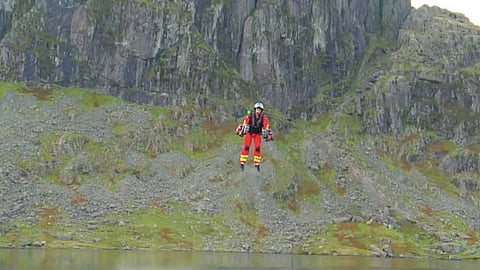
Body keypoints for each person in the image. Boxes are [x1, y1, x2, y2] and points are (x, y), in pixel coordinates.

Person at [235, 102, 273, 171]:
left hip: (257, 134)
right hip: (249, 133)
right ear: (255, 109)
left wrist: (269, 134)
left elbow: (266, 125)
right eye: (257, 109)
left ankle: (257, 164)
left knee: (257, 148)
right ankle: (242, 163)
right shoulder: (250, 116)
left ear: (261, 111)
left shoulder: (263, 117)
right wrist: (240, 130)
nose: (258, 111)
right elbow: (244, 123)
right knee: (246, 147)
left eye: (260, 110)